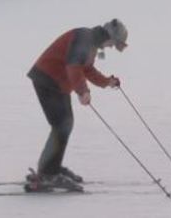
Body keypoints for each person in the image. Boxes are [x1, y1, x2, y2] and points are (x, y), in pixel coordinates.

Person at [26, 20, 127, 190]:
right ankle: (48, 174)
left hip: (58, 84)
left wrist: (107, 82)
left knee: (64, 125)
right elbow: (73, 67)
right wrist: (83, 91)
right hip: (47, 80)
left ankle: (51, 169)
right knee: (62, 126)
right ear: (108, 36)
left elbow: (86, 69)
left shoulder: (90, 43)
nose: (110, 47)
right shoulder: (84, 38)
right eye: (113, 43)